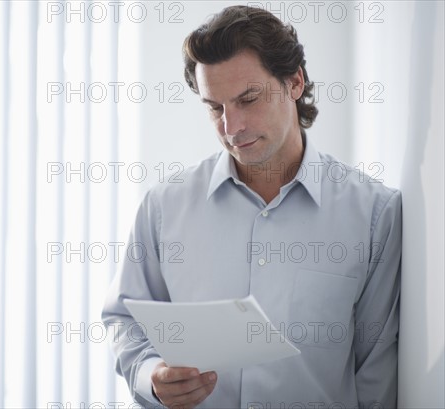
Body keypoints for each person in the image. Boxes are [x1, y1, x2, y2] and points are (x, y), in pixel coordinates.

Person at [102, 5, 401, 409]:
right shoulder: (163, 207)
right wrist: (151, 375)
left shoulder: (373, 215)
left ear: (295, 82)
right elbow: (125, 320)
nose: (231, 126)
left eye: (248, 99)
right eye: (215, 107)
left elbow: (376, 373)